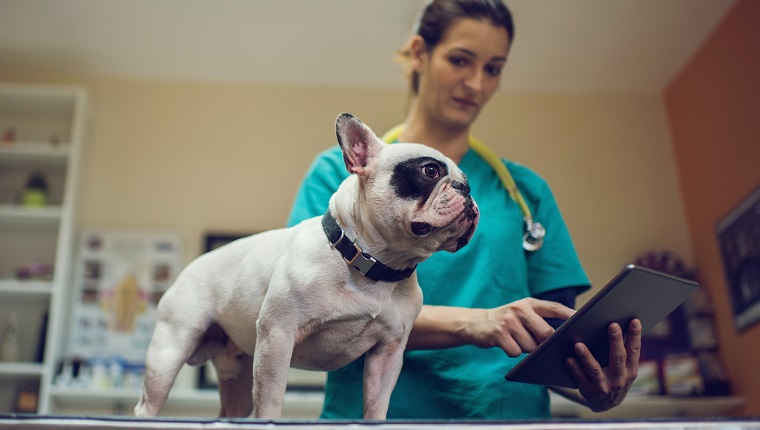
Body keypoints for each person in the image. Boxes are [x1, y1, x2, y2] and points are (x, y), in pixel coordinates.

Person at [287, 0, 641, 420]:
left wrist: (596, 389)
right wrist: (477, 322)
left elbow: (553, 338)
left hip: (504, 418)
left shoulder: (526, 192)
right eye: (460, 60)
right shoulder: (340, 178)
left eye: (493, 69)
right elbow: (307, 307)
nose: (475, 83)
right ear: (420, 53)